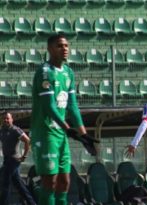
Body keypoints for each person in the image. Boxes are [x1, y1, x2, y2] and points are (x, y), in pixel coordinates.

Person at [31, 34, 99, 205]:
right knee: (50, 181)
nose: (65, 49)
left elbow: (73, 106)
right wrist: (68, 128)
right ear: (50, 49)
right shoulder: (45, 72)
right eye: (60, 46)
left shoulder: (68, 72)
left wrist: (84, 136)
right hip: (46, 133)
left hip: (61, 134)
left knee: (65, 182)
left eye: (67, 46)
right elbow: (49, 107)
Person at [0, 112, 36, 205]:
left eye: (8, 118)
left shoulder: (16, 130)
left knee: (5, 185)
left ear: (12, 119)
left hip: (13, 161)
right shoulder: (2, 130)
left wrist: (24, 156)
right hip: (6, 160)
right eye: (4, 118)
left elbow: (28, 141)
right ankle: (32, 203)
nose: (6, 120)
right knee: (19, 186)